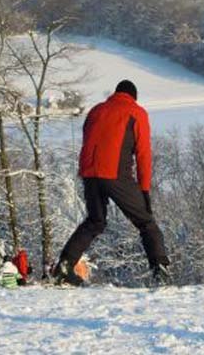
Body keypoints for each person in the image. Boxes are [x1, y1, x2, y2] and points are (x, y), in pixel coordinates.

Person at [54, 80, 171, 287]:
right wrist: (144, 190)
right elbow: (143, 154)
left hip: (89, 172)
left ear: (115, 93)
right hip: (115, 173)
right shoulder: (136, 112)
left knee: (95, 221)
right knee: (146, 222)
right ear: (133, 96)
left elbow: (88, 136)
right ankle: (160, 272)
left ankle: (64, 266)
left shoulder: (96, 110)